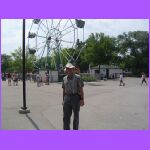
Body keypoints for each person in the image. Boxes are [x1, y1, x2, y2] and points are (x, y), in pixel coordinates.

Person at [62, 63, 84, 130]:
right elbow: (64, 90)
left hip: (76, 98)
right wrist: (63, 100)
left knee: (76, 117)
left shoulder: (78, 77)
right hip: (67, 98)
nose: (69, 70)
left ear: (73, 69)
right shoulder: (64, 78)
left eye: (71, 69)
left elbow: (81, 89)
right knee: (66, 117)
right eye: (68, 69)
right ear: (66, 70)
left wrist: (82, 99)